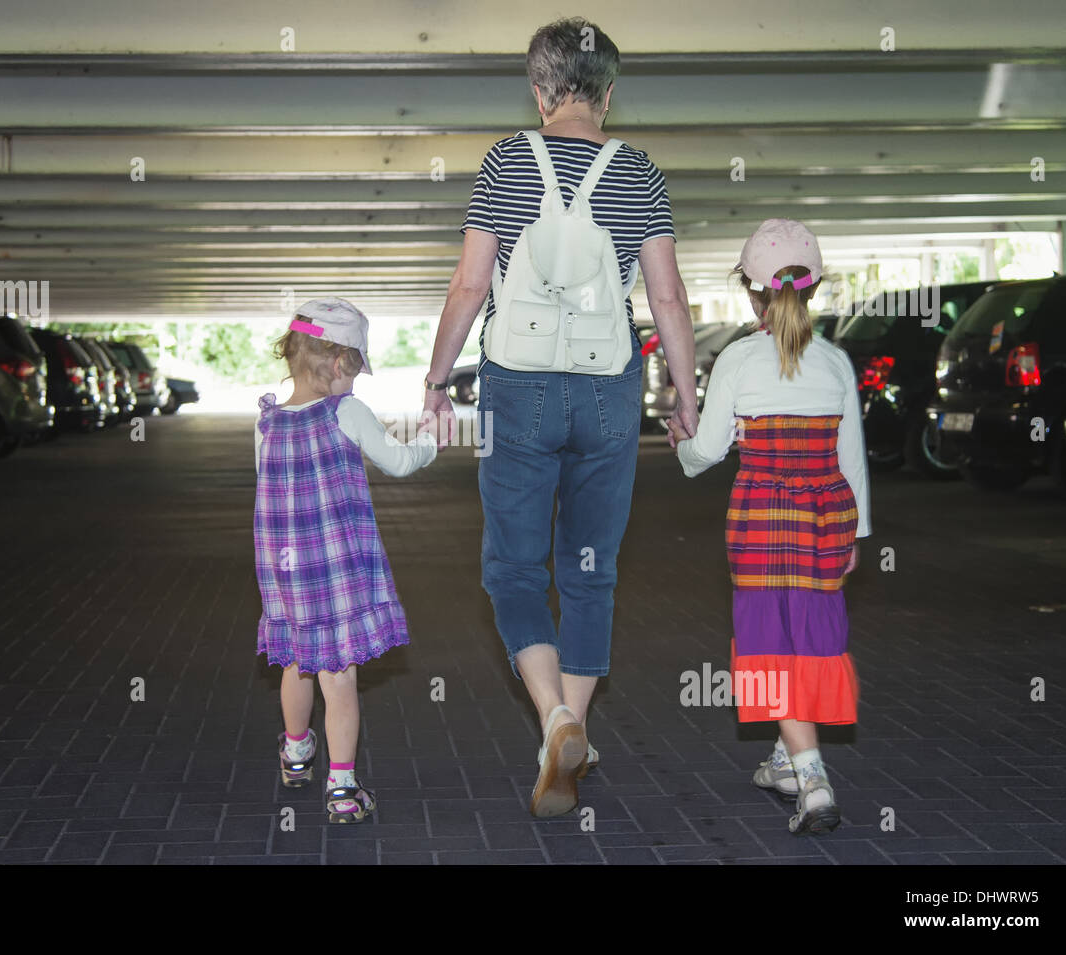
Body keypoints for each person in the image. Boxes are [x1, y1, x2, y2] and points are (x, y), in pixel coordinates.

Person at [421, 17, 699, 817]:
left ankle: (555, 716)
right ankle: (570, 724)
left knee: (512, 569)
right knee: (590, 569)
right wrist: (685, 394)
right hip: (610, 387)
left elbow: (470, 286)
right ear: (609, 94)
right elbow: (668, 296)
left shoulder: (506, 161)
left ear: (539, 91)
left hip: (518, 387)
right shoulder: (639, 170)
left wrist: (438, 379)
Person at [670, 219, 871, 834]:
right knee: (809, 634)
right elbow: (852, 458)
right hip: (826, 515)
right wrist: (857, 536)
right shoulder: (836, 362)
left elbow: (705, 452)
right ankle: (787, 759)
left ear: (750, 293)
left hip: (761, 516)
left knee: (769, 640)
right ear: (813, 290)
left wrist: (683, 442)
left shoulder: (736, 359)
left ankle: (812, 780)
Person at [254, 297, 438, 824]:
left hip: (284, 572)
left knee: (295, 661)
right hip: (336, 569)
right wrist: (430, 441)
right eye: (355, 370)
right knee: (339, 678)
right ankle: (341, 789)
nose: (355, 382)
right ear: (339, 364)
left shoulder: (266, 422)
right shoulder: (345, 411)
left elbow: (268, 489)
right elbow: (399, 462)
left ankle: (294, 752)